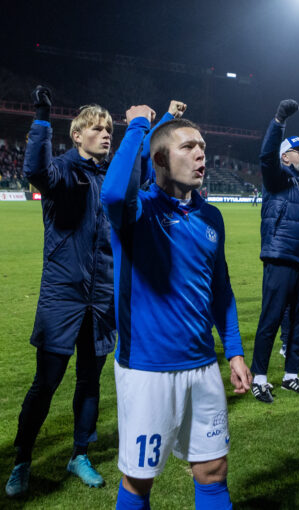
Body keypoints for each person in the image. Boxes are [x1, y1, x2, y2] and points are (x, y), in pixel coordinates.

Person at [102, 106, 252, 509]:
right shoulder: (136, 211)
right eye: (188, 146)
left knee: (214, 470)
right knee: (139, 480)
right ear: (160, 160)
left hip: (203, 366)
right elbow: (113, 192)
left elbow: (221, 289)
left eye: (203, 146)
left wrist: (235, 351)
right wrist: (137, 126)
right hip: (148, 370)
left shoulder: (211, 216)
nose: (201, 154)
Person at [6, 87, 115, 497]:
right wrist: (40, 118)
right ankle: (22, 460)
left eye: (109, 128)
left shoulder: (109, 178)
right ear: (77, 135)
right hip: (62, 296)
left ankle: (79, 454)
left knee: (90, 381)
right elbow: (34, 169)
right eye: (98, 129)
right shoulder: (61, 171)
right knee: (46, 382)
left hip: (100, 297)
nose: (106, 134)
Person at [250, 100, 299, 403]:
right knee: (272, 318)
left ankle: (291, 374)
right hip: (282, 256)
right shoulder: (278, 178)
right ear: (285, 158)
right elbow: (266, 154)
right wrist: (279, 121)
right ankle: (259, 377)